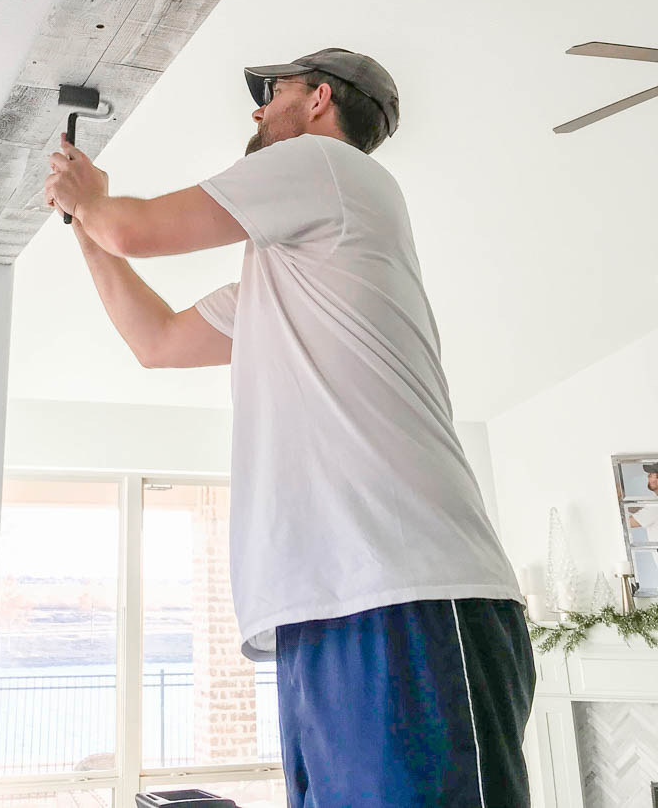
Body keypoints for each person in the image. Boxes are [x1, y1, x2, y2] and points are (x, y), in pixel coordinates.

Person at [44, 46, 535, 807]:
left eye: (272, 92)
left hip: (411, 592)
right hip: (321, 609)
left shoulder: (332, 168)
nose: (258, 109)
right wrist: (84, 221)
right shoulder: (290, 279)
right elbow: (156, 340)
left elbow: (134, 230)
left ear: (319, 101)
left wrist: (94, 198)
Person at [628, 462, 658, 536]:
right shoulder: (653, 504)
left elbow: (628, 522)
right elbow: (642, 508)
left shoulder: (655, 506)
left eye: (651, 474)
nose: (648, 477)